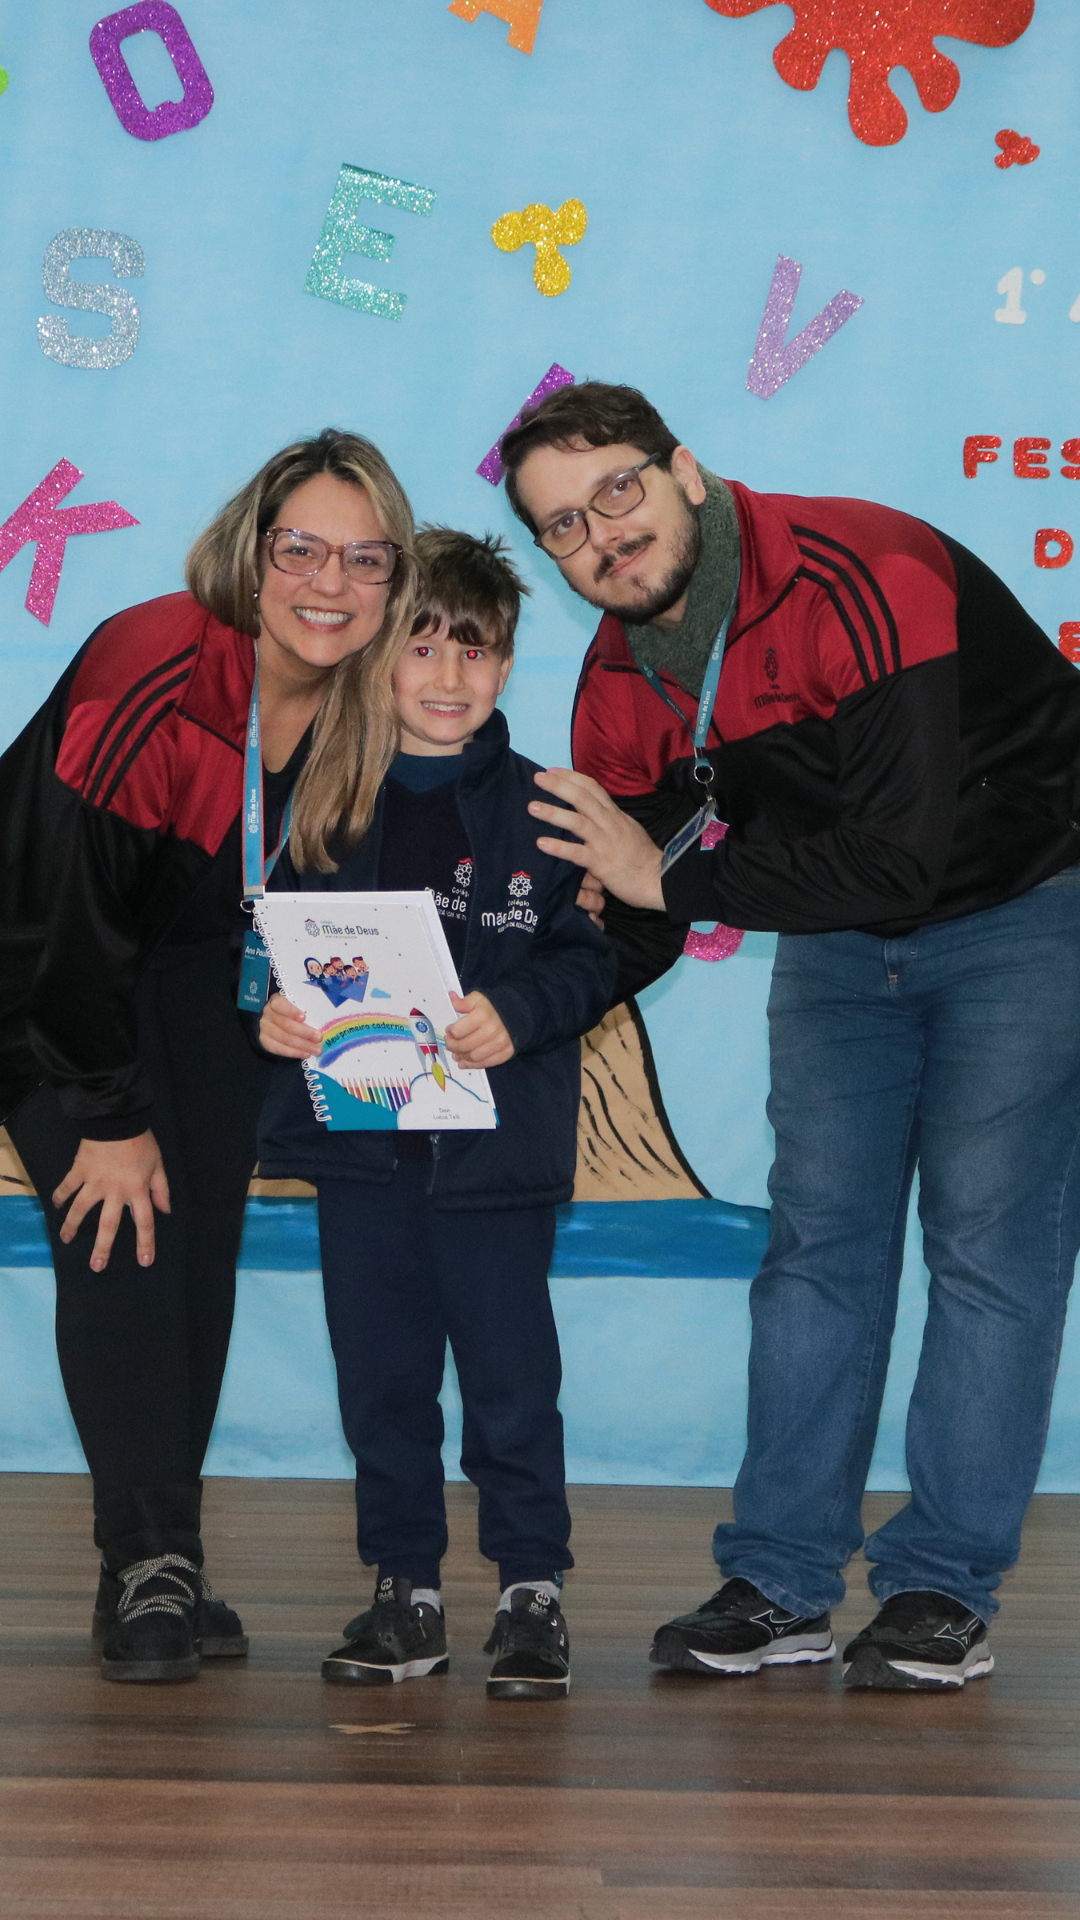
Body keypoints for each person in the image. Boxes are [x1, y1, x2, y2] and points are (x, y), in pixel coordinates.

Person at [500, 380, 1080, 1691]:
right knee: (817, 1252)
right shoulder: (619, 682)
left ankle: (941, 1588)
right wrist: (507, 1018)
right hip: (834, 930)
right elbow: (638, 910)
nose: (602, 534)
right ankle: (782, 1578)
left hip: (1026, 905)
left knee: (989, 1255)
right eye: (563, 526)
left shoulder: (864, 571)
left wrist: (669, 878)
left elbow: (897, 857)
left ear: (683, 470)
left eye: (617, 489)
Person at [0, 428, 418, 1682]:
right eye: (302, 549)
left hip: (194, 965)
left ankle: (160, 1556)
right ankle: (146, 1561)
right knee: (123, 1232)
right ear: (249, 549)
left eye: (365, 558)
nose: (330, 583)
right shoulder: (150, 668)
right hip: (33, 968)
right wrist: (109, 1118)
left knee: (198, 1255)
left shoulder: (365, 691)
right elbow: (60, 922)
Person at [255, 527, 616, 1698]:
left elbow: (590, 961)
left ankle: (531, 1591)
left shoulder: (550, 813)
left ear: (507, 664)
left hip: (495, 1161)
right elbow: (257, 950)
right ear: (378, 656)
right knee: (383, 1383)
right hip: (362, 1155)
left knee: (513, 1382)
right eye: (423, 647)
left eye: (478, 649)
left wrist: (518, 1010)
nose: (451, 676)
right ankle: (404, 1589)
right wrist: (270, 1012)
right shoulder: (310, 801)